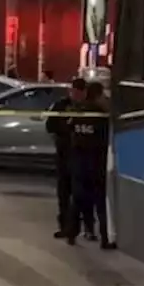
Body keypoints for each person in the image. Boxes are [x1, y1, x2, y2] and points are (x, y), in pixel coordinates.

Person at [66, 81, 116, 249]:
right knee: (100, 201)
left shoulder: (78, 111)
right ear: (99, 95)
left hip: (79, 161)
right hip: (96, 162)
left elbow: (69, 130)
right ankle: (104, 238)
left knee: (77, 199)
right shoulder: (101, 114)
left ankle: (71, 234)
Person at [47, 78, 88, 240]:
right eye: (73, 92)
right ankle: (65, 226)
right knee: (63, 194)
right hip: (64, 155)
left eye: (79, 92)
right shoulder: (61, 106)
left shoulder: (89, 107)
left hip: (82, 157)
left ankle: (78, 228)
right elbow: (50, 126)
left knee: (79, 195)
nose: (75, 95)